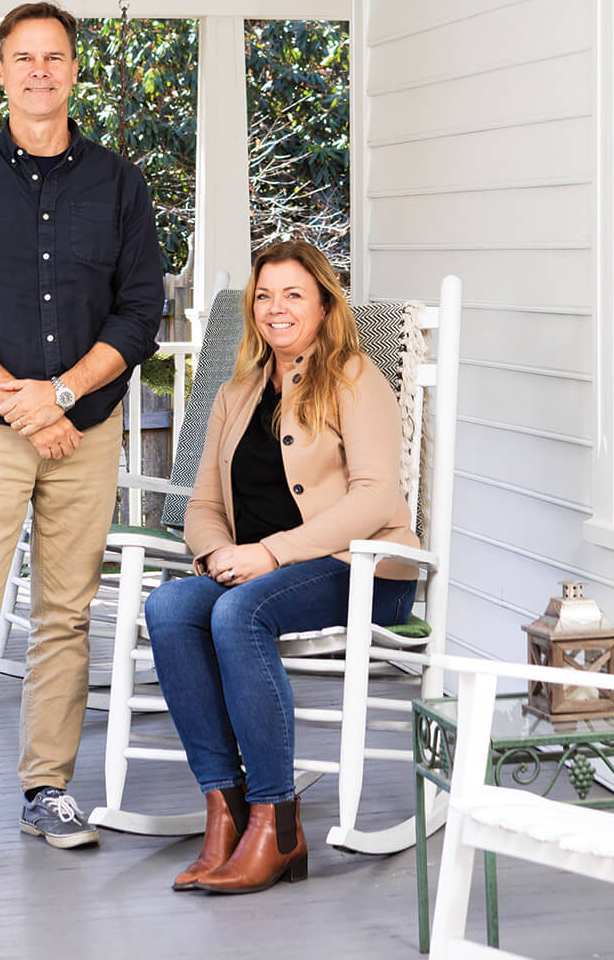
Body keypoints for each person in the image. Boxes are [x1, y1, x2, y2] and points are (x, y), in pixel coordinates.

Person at [0, 1, 164, 881]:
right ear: (1, 70)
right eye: (24, 58)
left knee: (64, 619)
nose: (40, 72)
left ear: (72, 71)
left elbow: (140, 313)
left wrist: (62, 395)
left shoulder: (120, 186)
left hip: (86, 429)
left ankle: (46, 790)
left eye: (54, 57)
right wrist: (26, 404)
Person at [144, 240, 418, 895]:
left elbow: (376, 495)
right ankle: (225, 807)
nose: (277, 308)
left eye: (294, 294)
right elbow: (205, 503)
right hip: (263, 572)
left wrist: (267, 554)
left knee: (240, 613)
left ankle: (277, 821)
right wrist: (215, 554)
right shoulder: (236, 393)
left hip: (362, 569)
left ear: (324, 304)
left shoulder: (353, 376)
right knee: (171, 607)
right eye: (265, 296)